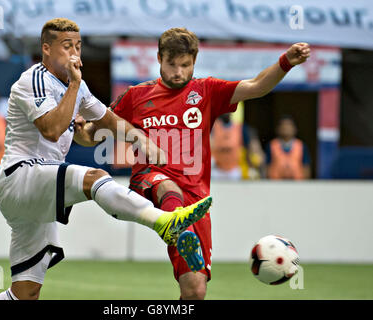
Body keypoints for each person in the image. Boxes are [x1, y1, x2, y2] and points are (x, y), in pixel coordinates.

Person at [76, 28, 310, 299]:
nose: (178, 72)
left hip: (196, 201)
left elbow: (257, 86)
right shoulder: (135, 96)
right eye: (171, 64)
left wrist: (286, 62)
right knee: (167, 186)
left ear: (194, 62)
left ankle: (180, 225)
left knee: (195, 291)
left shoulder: (207, 91)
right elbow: (92, 136)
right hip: (151, 181)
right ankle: (175, 222)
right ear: (159, 58)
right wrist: (80, 131)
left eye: (185, 65)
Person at [0, 18, 212, 301]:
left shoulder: (77, 87)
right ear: (46, 49)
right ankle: (164, 222)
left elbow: (107, 120)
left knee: (25, 294)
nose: (74, 53)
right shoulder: (33, 80)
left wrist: (141, 139)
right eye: (66, 46)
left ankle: (166, 222)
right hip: (20, 176)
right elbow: (51, 130)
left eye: (78, 46)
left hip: (39, 197)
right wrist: (74, 86)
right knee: (95, 178)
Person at [210, 113, 265, 180]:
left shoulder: (240, 128)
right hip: (216, 170)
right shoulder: (213, 127)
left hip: (235, 170)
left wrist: (254, 166)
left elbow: (253, 148)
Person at [266, 115, 311, 179]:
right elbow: (267, 167)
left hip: (297, 184)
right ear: (278, 129)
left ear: (294, 129)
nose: (286, 128)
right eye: (283, 125)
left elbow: (306, 168)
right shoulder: (272, 145)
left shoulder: (301, 146)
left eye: (289, 125)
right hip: (276, 184)